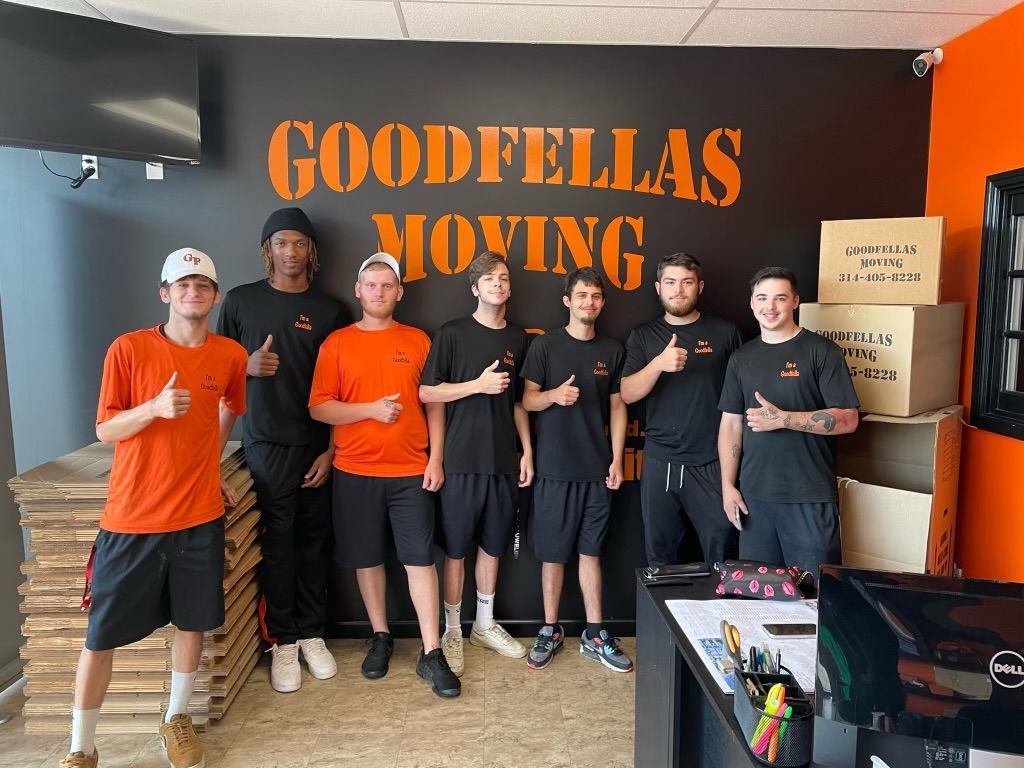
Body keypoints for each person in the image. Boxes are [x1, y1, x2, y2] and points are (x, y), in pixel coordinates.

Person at [62, 249, 247, 768]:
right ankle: (81, 748)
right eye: (182, 284)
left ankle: (176, 719)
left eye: (203, 285)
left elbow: (228, 408)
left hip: (199, 518)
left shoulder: (230, 356)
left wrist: (211, 468)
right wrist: (153, 408)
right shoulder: (129, 349)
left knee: (192, 624)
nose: (193, 292)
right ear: (165, 293)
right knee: (100, 637)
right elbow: (105, 429)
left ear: (215, 296)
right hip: (132, 520)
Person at [308, 252, 460, 698]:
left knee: (420, 561)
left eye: (387, 285)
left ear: (399, 292)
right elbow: (319, 407)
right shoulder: (336, 344)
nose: (379, 292)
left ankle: (432, 652)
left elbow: (433, 402)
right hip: (354, 471)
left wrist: (436, 458)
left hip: (412, 470)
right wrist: (370, 411)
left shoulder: (418, 340)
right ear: (358, 290)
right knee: (367, 558)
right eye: (371, 285)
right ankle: (380, 636)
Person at [217, 207, 346, 693]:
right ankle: (284, 641)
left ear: (311, 250)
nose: (290, 251)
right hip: (266, 440)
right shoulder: (241, 301)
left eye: (298, 243)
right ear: (267, 250)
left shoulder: (332, 310)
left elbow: (344, 388)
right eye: (280, 243)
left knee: (315, 541)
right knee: (280, 543)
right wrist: (245, 367)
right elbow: (213, 373)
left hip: (317, 444)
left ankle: (312, 634)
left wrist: (332, 451)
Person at [418, 251, 533, 677]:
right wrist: (477, 386)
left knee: (492, 546)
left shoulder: (519, 339)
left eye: (503, 278)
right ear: (475, 288)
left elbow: (519, 403)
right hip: (460, 462)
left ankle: (483, 624)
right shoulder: (452, 333)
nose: (497, 284)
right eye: (489, 279)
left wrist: (526, 451)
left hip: (502, 462)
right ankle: (452, 629)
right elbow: (428, 393)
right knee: (455, 551)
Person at [520, 268, 632, 673]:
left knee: (591, 553)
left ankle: (595, 633)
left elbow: (618, 407)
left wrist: (616, 458)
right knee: (552, 557)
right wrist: (554, 395)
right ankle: (549, 629)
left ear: (602, 302)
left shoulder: (613, 350)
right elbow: (527, 401)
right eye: (582, 295)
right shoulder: (545, 346)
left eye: (596, 296)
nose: (589, 302)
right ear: (567, 301)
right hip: (553, 471)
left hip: (597, 472)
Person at [717, 266, 859, 578]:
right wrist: (728, 485)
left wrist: (784, 419)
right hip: (754, 500)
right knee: (760, 598)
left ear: (795, 301)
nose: (770, 306)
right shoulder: (741, 358)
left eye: (780, 298)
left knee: (813, 595)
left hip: (809, 497)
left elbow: (849, 420)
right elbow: (731, 425)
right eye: (762, 298)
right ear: (751, 303)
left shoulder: (822, 351)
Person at [620, 253, 742, 567]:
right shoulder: (643, 335)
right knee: (660, 557)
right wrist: (658, 364)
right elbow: (628, 393)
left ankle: (722, 604)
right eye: (671, 282)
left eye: (687, 282)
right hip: (661, 459)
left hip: (712, 460)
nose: (678, 290)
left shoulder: (725, 333)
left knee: (723, 552)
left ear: (699, 286)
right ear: (658, 287)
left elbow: (741, 398)